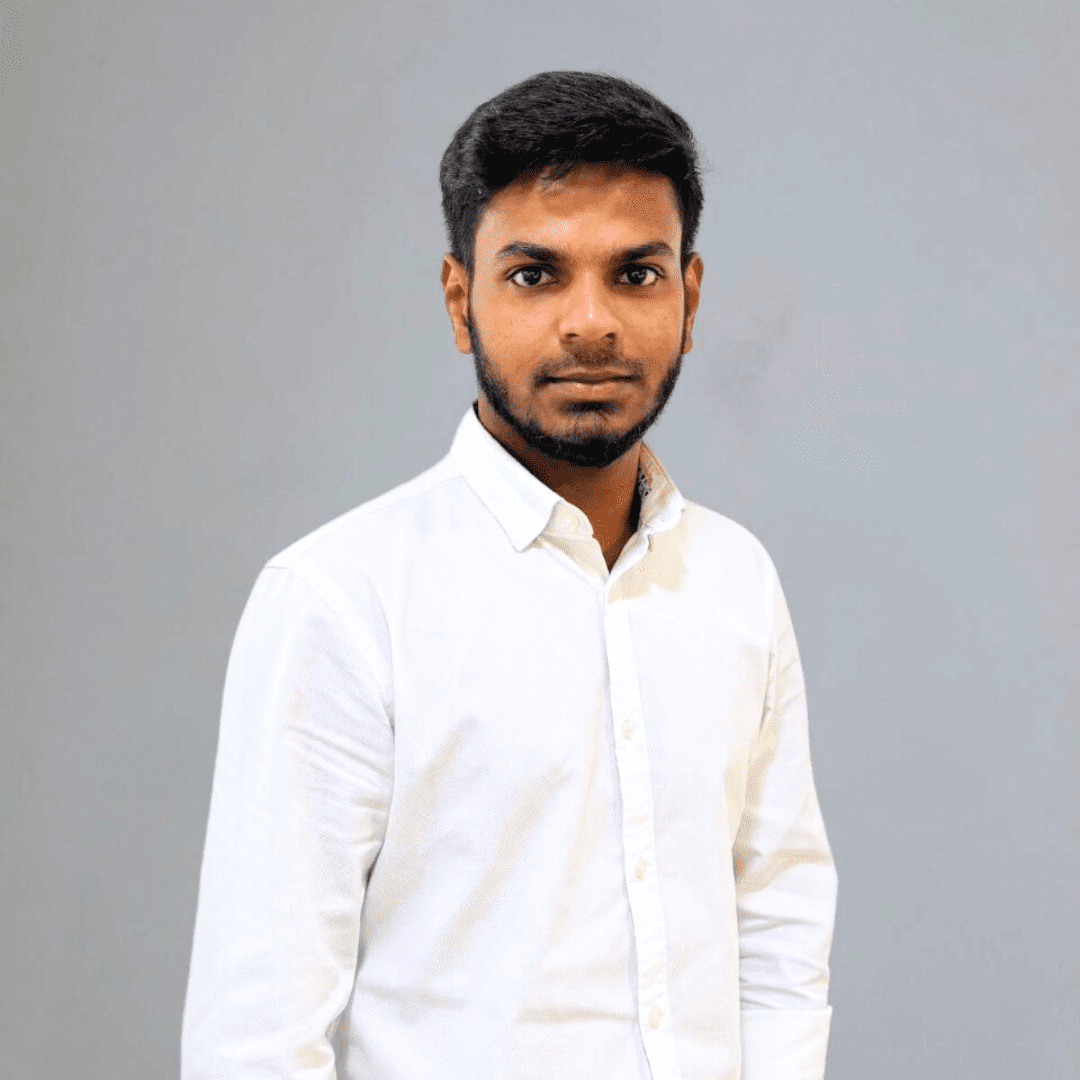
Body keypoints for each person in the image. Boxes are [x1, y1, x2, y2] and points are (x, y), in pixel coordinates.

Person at [181, 70, 837, 1080]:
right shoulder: (344, 599)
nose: (592, 323)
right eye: (536, 275)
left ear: (690, 297)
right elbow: (257, 1031)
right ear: (461, 301)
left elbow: (779, 924)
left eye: (636, 274)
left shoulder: (734, 580)